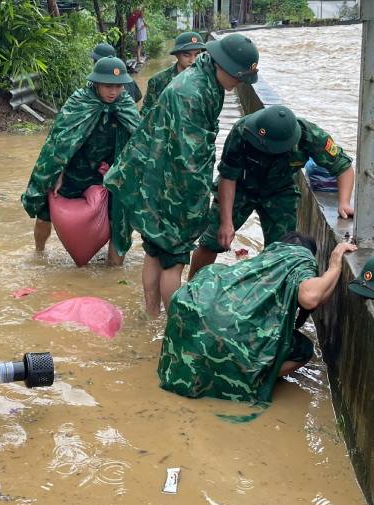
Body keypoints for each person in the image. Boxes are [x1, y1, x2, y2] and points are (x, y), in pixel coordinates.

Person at [104, 33, 260, 317]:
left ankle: (150, 317)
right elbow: (190, 162)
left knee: (154, 252)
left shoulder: (201, 80)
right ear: (223, 66)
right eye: (238, 78)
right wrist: (196, 208)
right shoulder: (194, 92)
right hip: (170, 186)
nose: (239, 84)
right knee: (173, 260)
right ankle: (172, 327)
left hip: (153, 177)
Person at [158, 233, 358, 403]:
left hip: (188, 335)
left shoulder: (260, 261)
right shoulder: (300, 259)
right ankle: (253, 378)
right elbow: (310, 297)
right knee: (305, 349)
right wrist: (334, 265)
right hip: (233, 340)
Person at [188, 104, 355, 279]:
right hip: (240, 187)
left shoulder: (309, 136)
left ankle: (270, 295)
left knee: (282, 252)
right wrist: (226, 222)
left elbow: (343, 167)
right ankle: (190, 291)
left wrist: (343, 202)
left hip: (280, 192)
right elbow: (228, 177)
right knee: (211, 242)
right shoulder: (243, 130)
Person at [22, 56, 141, 266]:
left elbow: (139, 141)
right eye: (108, 86)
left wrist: (120, 170)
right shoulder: (80, 101)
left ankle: (114, 271)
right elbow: (59, 141)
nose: (114, 92)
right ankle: (38, 253)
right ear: (95, 83)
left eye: (119, 86)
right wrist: (57, 173)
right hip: (74, 169)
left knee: (119, 219)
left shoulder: (125, 104)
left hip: (108, 171)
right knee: (44, 213)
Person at [140, 31, 207, 113]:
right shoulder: (158, 81)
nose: (193, 61)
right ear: (177, 55)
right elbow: (146, 111)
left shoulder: (206, 80)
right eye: (186, 55)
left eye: (197, 55)